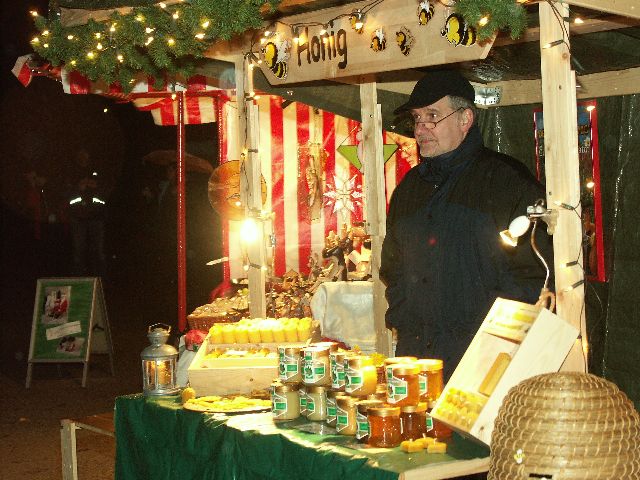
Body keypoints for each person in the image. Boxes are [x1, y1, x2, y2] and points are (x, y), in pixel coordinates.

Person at [380, 70, 553, 381]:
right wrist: (406, 320)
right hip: (417, 359)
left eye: (432, 116)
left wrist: (493, 338)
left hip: (483, 362)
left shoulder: (507, 182)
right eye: (417, 118)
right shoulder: (409, 188)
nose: (420, 128)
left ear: (465, 119)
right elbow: (393, 267)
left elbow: (535, 274)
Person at [67, 149, 108, 277]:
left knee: (98, 250)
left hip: (96, 216)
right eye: (81, 155)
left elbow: (105, 188)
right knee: (79, 250)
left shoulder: (96, 170)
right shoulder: (72, 172)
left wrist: (95, 185)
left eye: (85, 154)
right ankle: (78, 277)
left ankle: (100, 278)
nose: (83, 157)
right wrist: (79, 187)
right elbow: (67, 193)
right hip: (78, 217)